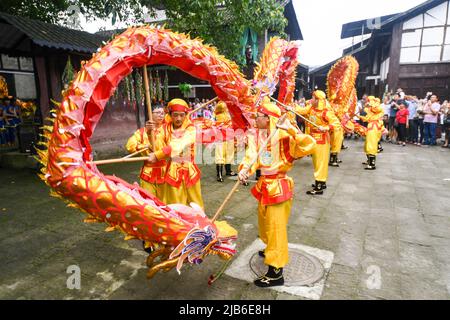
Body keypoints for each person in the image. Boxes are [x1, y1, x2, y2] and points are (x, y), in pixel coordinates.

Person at [237, 99, 316, 287]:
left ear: (269, 119)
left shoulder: (284, 137)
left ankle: (275, 272)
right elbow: (253, 156)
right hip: (265, 184)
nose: (255, 119)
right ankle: (270, 248)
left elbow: (309, 145)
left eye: (259, 116)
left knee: (276, 228)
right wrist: (244, 170)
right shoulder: (259, 137)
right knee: (265, 223)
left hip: (278, 186)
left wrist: (291, 129)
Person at [147, 98, 204, 208]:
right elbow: (158, 146)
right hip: (173, 172)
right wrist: (150, 133)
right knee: (176, 206)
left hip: (190, 171)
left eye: (182, 115)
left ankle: (199, 223)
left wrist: (158, 155)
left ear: (186, 115)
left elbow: (180, 144)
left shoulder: (191, 128)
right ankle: (178, 224)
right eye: (175, 115)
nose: (178, 119)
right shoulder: (165, 128)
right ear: (170, 115)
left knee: (196, 204)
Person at [295, 90, 342, 195]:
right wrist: (292, 108)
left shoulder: (326, 112)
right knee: (317, 162)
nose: (311, 99)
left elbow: (337, 124)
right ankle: (322, 181)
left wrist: (326, 127)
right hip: (314, 139)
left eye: (313, 98)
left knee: (320, 162)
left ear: (318, 100)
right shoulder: (311, 108)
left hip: (322, 140)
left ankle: (319, 186)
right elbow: (301, 111)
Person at [126, 106, 167, 198]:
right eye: (158, 113)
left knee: (165, 204)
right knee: (149, 201)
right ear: (150, 114)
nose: (161, 115)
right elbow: (130, 146)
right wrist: (144, 146)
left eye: (162, 113)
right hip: (148, 172)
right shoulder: (141, 132)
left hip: (165, 172)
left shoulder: (167, 130)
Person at [358, 96, 385, 170]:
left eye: (368, 100)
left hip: (374, 127)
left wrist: (371, 104)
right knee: (367, 144)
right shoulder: (371, 109)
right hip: (371, 126)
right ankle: (369, 161)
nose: (367, 101)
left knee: (371, 144)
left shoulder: (376, 107)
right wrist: (358, 116)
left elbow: (378, 109)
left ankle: (372, 164)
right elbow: (367, 118)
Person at [213, 101, 237, 182]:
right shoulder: (220, 105)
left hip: (229, 133)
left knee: (229, 153)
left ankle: (228, 170)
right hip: (221, 134)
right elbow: (219, 108)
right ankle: (219, 174)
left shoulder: (230, 107)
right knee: (220, 153)